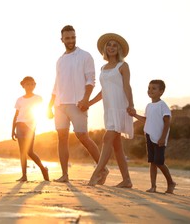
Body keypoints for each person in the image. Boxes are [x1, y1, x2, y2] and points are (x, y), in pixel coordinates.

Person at [47, 25, 105, 183]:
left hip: (77, 104)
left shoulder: (85, 56)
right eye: (67, 38)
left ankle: (102, 168)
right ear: (62, 40)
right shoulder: (60, 60)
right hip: (59, 105)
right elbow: (56, 84)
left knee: (82, 136)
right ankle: (65, 175)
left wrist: (86, 99)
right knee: (62, 138)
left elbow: (90, 80)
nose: (71, 40)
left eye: (73, 37)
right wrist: (49, 105)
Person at [87, 33, 134, 188]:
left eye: (115, 45)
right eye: (109, 45)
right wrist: (89, 103)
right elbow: (103, 91)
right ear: (105, 49)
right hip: (108, 109)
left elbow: (127, 86)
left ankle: (97, 173)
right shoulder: (103, 68)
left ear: (119, 49)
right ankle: (127, 180)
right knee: (117, 146)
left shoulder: (123, 66)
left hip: (120, 107)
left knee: (107, 139)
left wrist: (131, 105)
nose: (112, 47)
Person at [131, 80, 176, 193]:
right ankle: (153, 186)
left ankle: (171, 182)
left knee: (159, 162)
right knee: (152, 162)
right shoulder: (149, 106)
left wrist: (162, 137)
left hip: (159, 138)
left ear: (161, 91)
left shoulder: (163, 106)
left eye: (154, 88)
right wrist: (134, 114)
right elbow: (146, 120)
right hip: (149, 136)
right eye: (149, 88)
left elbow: (167, 122)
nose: (150, 90)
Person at [12, 76, 49, 182]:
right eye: (27, 84)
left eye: (32, 84)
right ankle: (24, 176)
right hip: (19, 125)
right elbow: (16, 116)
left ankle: (43, 169)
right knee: (22, 152)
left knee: (30, 151)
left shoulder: (38, 98)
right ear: (23, 85)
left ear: (35, 85)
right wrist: (12, 130)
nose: (30, 86)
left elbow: (41, 111)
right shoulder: (19, 100)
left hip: (30, 127)